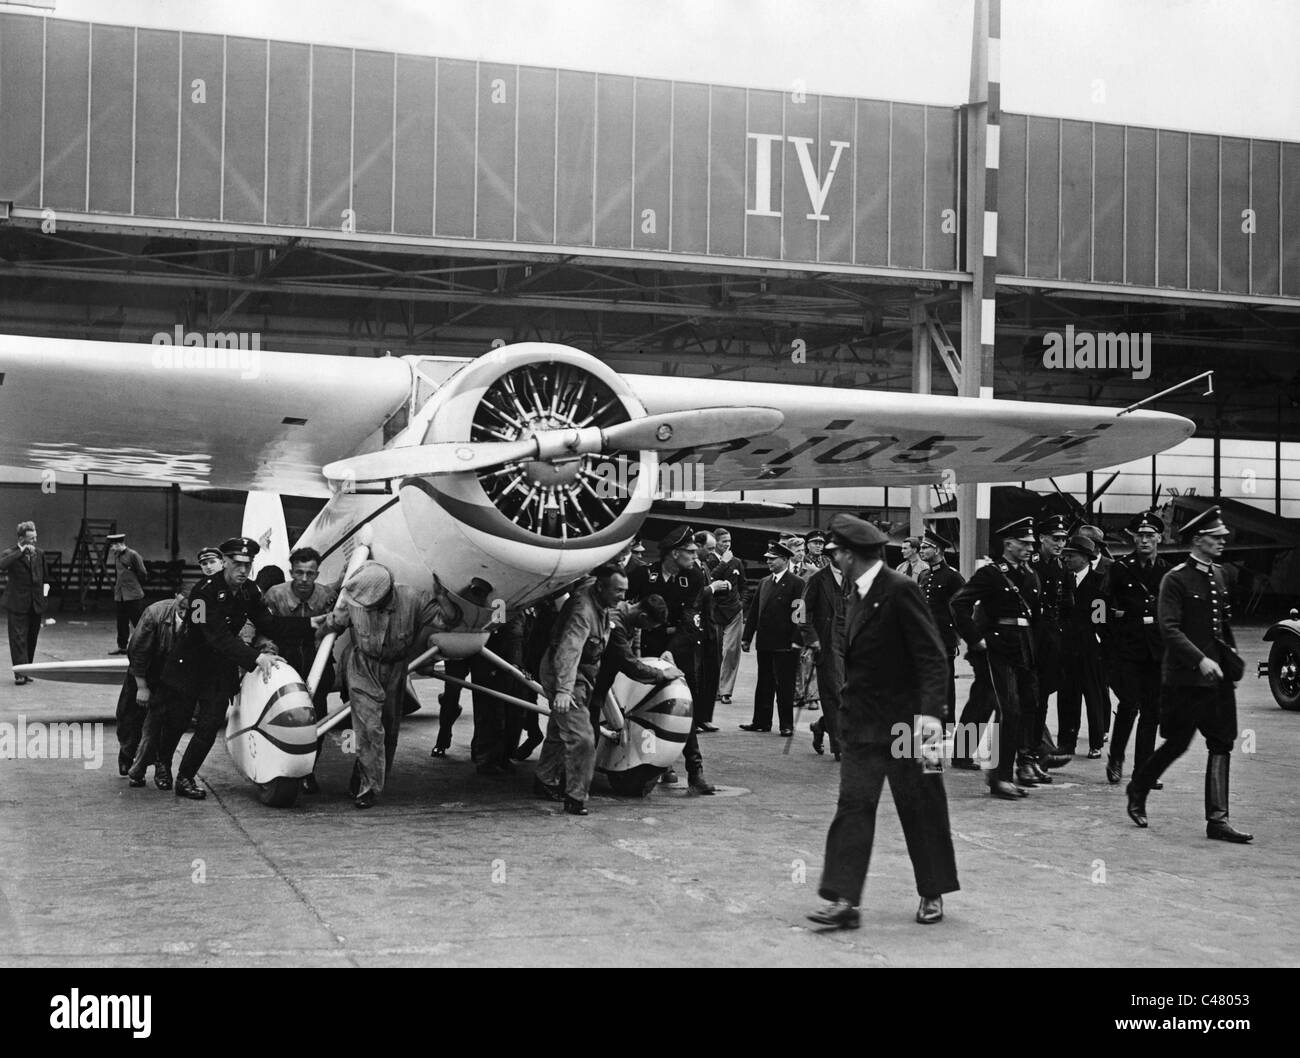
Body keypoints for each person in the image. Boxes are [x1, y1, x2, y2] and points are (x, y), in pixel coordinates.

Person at [807, 513, 959, 931]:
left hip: (908, 725)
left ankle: (932, 890)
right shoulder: (854, 592)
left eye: (835, 552)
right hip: (862, 724)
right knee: (853, 806)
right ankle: (843, 899)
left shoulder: (901, 590)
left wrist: (932, 718)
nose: (831, 558)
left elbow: (932, 657)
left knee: (921, 807)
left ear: (851, 554)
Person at [1126, 507, 1253, 844]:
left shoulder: (1219, 575)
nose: (1223, 542)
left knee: (1222, 742)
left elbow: (1221, 627)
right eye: (1216, 538)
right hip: (1186, 678)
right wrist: (1200, 661)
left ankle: (1218, 820)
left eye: (1223, 538)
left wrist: (1232, 663)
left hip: (1218, 677)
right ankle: (1138, 788)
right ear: (1199, 540)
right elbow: (1169, 629)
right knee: (1178, 743)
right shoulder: (1176, 579)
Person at [157, 537, 314, 802]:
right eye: (237, 564)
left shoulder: (249, 591)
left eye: (248, 564)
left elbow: (271, 624)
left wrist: (311, 625)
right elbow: (214, 637)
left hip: (219, 669)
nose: (243, 570)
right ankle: (162, 764)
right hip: (189, 666)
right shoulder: (202, 592)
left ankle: (185, 777)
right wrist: (256, 658)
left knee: (208, 726)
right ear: (225, 563)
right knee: (177, 721)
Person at [315, 560, 459, 807]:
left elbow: (448, 621)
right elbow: (331, 625)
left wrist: (443, 598)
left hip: (395, 670)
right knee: (370, 727)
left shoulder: (413, 598)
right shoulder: (353, 598)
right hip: (362, 665)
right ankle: (368, 789)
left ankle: (365, 774)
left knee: (389, 730)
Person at [950, 517, 1043, 798]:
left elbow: (1035, 617)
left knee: (1009, 704)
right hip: (996, 649)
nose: (1030, 547)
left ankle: (974, 757)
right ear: (1008, 544)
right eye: (1024, 543)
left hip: (1022, 650)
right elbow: (959, 604)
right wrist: (975, 640)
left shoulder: (1030, 575)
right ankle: (998, 776)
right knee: (1004, 708)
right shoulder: (991, 574)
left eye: (1031, 543)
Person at [626, 527, 720, 791]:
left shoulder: (693, 578)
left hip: (680, 649)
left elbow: (692, 619)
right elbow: (625, 609)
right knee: (644, 707)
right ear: (674, 553)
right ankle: (656, 765)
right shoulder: (643, 575)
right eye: (689, 552)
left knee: (684, 709)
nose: (694, 555)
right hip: (646, 646)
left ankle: (695, 770)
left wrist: (671, 650)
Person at [534, 564, 625, 815]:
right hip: (566, 674)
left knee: (559, 728)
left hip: (582, 675)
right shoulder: (582, 612)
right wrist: (564, 690)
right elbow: (568, 649)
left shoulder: (598, 595)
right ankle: (575, 797)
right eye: (618, 591)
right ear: (601, 587)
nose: (622, 596)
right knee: (582, 738)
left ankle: (544, 778)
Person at [260, 546, 339, 794]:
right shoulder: (274, 595)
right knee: (282, 717)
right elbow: (264, 628)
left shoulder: (327, 596)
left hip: (319, 659)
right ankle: (280, 768)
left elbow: (339, 626)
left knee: (319, 717)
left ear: (317, 573)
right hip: (286, 659)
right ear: (291, 571)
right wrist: (270, 652)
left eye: (310, 573)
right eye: (299, 573)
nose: (304, 580)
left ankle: (308, 771)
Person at [1106, 512, 1169, 785]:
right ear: (1134, 538)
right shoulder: (1120, 569)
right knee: (1129, 704)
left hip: (1156, 649)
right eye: (1140, 536)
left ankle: (1143, 769)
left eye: (1150, 535)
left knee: (1152, 711)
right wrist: (1107, 642)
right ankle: (1116, 758)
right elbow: (1103, 606)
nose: (1144, 540)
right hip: (1127, 647)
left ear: (1159, 538)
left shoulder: (1167, 570)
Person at [121, 587, 189, 789]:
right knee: (130, 718)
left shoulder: (198, 613)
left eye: (190, 610)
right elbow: (137, 652)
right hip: (147, 670)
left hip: (174, 675)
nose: (185, 614)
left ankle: (155, 767)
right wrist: (141, 686)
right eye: (182, 608)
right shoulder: (155, 613)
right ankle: (128, 756)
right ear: (176, 599)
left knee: (162, 724)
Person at [740, 540, 805, 736]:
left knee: (784, 685)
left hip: (785, 643)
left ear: (785, 560)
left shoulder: (796, 583)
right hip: (766, 642)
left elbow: (799, 616)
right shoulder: (765, 582)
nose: (768, 562)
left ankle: (786, 724)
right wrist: (747, 637)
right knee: (764, 683)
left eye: (773, 559)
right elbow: (754, 612)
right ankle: (761, 721)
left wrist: (797, 640)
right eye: (767, 559)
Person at [1027, 513, 1075, 771]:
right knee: (1010, 703)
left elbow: (1068, 605)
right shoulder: (1030, 565)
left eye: (1063, 538)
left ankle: (1035, 752)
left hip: (1050, 642)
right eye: (1055, 538)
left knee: (1042, 698)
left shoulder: (1062, 569)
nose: (1060, 543)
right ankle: (1023, 755)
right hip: (1028, 639)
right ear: (1041, 538)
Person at [1058, 535, 1111, 758]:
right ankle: (1066, 742)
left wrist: (1098, 642)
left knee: (1093, 694)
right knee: (1067, 695)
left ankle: (1096, 741)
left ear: (1085, 558)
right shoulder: (1063, 580)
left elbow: (1100, 617)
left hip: (1090, 647)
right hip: (1067, 647)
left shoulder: (1099, 581)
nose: (1066, 558)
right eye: (1066, 554)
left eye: (1072, 555)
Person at [802, 536, 848, 760]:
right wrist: (812, 638)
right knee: (835, 694)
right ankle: (840, 747)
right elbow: (802, 612)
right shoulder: (818, 579)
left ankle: (821, 725)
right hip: (828, 644)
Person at [917, 530, 965, 725]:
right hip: (924, 640)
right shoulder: (924, 575)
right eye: (921, 547)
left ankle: (946, 726)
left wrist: (956, 637)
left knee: (945, 687)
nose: (921, 550)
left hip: (944, 639)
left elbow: (962, 608)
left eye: (925, 547)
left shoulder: (952, 577)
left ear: (937, 550)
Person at [1, 521, 47, 685]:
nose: (34, 541)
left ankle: (27, 670)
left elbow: (45, 580)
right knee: (18, 639)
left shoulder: (39, 554)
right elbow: (2, 565)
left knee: (31, 639)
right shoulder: (11, 553)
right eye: (30, 539)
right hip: (17, 603)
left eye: (35, 537)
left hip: (35, 603)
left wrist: (44, 598)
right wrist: (21, 551)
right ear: (21, 539)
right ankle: (19, 673)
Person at [711, 528, 747, 706]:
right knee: (715, 651)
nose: (727, 544)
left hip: (733, 611)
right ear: (715, 542)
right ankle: (715, 688)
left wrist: (741, 603)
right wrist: (723, 563)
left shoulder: (737, 562)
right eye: (723, 541)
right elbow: (710, 579)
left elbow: (744, 586)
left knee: (731, 652)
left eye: (729, 541)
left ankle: (725, 691)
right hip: (714, 612)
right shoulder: (708, 560)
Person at [105, 532, 147, 655]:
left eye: (113, 546)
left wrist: (135, 586)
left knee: (138, 622)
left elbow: (143, 573)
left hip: (133, 594)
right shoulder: (117, 555)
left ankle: (143, 646)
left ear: (119, 544)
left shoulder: (133, 555)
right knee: (121, 622)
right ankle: (122, 646)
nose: (112, 548)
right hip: (121, 594)